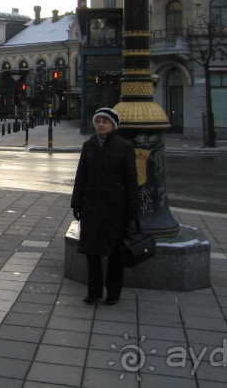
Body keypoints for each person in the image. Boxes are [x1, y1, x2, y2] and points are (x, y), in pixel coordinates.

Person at [71, 107, 138, 305]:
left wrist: (133, 210)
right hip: (91, 207)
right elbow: (81, 177)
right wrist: (77, 203)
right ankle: (94, 292)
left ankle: (113, 293)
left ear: (113, 125)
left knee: (115, 254)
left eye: (105, 121)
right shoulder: (88, 145)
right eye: (98, 121)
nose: (101, 124)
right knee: (91, 252)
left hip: (115, 209)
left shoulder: (124, 146)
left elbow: (131, 181)